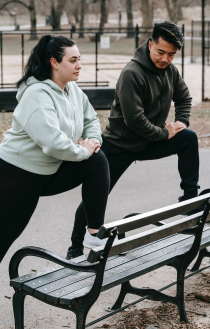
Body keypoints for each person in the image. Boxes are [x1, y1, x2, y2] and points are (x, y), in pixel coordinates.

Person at [0, 35, 110, 315]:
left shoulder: (72, 90)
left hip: (47, 171)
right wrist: (82, 151)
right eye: (73, 59)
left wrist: (92, 143)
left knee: (98, 161)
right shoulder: (37, 94)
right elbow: (53, 143)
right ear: (54, 63)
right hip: (10, 176)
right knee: (4, 236)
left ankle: (94, 233)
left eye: (80, 58)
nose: (79, 64)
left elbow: (92, 119)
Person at [66, 21, 200, 260]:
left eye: (171, 54)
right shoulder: (132, 73)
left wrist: (181, 123)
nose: (165, 59)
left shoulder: (171, 71)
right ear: (150, 44)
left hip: (150, 140)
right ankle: (75, 247)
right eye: (161, 52)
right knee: (97, 195)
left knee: (188, 138)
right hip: (120, 144)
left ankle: (190, 199)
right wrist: (164, 133)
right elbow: (134, 120)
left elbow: (184, 98)